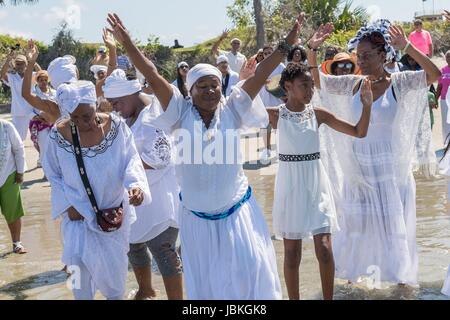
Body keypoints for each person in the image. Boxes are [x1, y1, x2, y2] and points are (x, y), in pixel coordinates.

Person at [106, 11, 306, 299]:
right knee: (209, 287)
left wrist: (287, 43)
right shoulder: (178, 112)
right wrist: (126, 43)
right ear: (190, 90)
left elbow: (262, 72)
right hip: (197, 221)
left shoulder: (233, 107)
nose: (211, 90)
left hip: (238, 213)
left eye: (214, 84)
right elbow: (151, 72)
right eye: (203, 85)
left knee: (248, 273)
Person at [309, 19, 441, 286]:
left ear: (383, 55)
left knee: (395, 230)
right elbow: (319, 83)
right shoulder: (353, 85)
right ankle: (354, 281)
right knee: (358, 228)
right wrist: (312, 49)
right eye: (359, 56)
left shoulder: (399, 83)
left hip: (390, 173)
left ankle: (400, 281)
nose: (362, 61)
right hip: (359, 171)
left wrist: (407, 47)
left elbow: (434, 75)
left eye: (368, 56)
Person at [267, 62, 372, 300]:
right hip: (290, 188)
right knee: (292, 254)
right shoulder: (274, 115)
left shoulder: (318, 114)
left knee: (324, 249)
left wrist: (367, 106)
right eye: (304, 85)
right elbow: (239, 112)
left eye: (312, 85)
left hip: (316, 185)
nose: (310, 90)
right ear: (288, 86)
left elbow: (359, 132)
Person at [42, 80, 150, 300]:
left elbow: (131, 159)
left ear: (96, 106)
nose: (84, 122)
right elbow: (53, 174)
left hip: (113, 219)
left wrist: (135, 185)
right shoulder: (57, 136)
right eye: (76, 118)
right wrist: (68, 204)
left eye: (88, 115)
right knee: (79, 279)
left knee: (115, 283)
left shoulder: (117, 127)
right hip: (77, 221)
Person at [103, 69, 183, 300]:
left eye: (116, 102)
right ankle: (146, 290)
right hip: (136, 195)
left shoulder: (153, 115)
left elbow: (162, 157)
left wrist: (123, 165)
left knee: (163, 250)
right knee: (134, 245)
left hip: (159, 197)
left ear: (129, 95)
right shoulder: (130, 115)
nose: (115, 107)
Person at [0, 119, 26, 254]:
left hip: (9, 175)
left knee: (13, 211)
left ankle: (17, 243)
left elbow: (18, 148)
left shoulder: (6, 126)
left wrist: (20, 172)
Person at [1, 51, 39, 141]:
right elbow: (1, 75)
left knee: (39, 138)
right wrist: (8, 60)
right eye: (17, 64)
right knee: (18, 140)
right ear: (15, 65)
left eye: (22, 64)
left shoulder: (32, 75)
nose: (20, 66)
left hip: (32, 111)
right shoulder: (12, 76)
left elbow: (42, 74)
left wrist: (33, 61)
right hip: (18, 113)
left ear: (26, 64)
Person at [258, 45, 286, 163]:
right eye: (266, 53)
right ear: (262, 55)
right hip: (263, 99)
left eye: (270, 52)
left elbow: (285, 81)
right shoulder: (259, 66)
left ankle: (281, 150)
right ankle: (267, 149)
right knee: (265, 125)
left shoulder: (281, 66)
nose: (268, 55)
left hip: (278, 99)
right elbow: (255, 80)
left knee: (279, 126)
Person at [29, 70, 56, 167]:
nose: (43, 82)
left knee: (54, 148)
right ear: (37, 81)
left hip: (54, 124)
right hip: (40, 124)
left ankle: (54, 169)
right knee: (44, 148)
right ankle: (46, 171)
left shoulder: (54, 93)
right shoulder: (32, 94)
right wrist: (37, 117)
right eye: (41, 80)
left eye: (45, 80)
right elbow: (27, 109)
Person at [436, 50, 450, 144]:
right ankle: (447, 141)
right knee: (445, 121)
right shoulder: (442, 70)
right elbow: (439, 86)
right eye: (448, 57)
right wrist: (436, 99)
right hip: (444, 100)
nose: (449, 58)